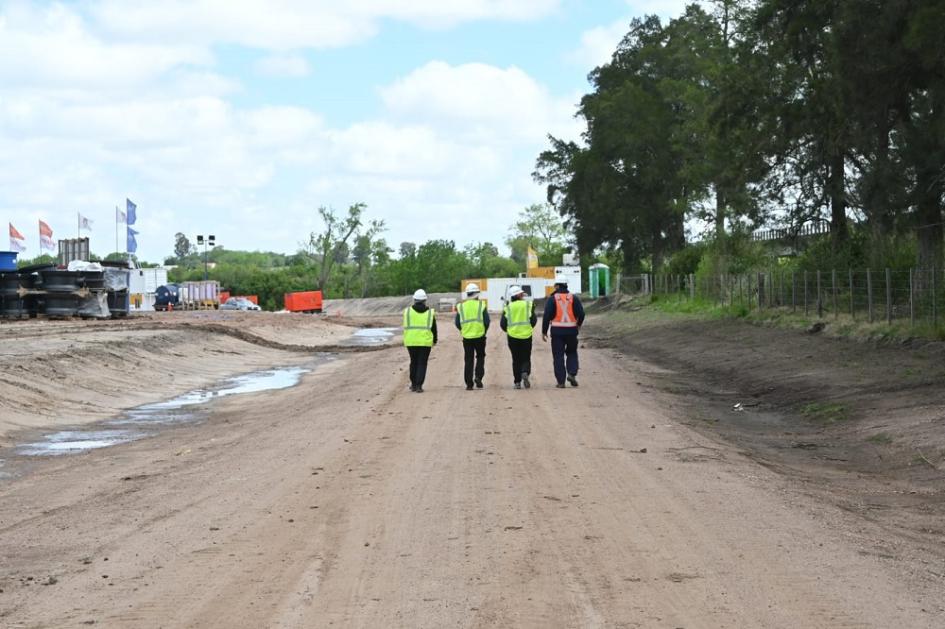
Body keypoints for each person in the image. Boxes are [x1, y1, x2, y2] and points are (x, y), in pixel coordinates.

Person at [541, 281, 585, 388]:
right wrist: (578, 325)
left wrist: (544, 331)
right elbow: (582, 313)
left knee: (558, 356)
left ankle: (561, 382)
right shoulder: (573, 298)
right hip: (571, 331)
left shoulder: (552, 299)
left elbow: (547, 316)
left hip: (557, 332)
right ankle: (572, 373)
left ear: (557, 286)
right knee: (572, 352)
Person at [500, 285, 537, 389]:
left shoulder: (508, 307)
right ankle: (525, 372)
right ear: (518, 295)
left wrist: (509, 331)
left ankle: (517, 382)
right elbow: (533, 320)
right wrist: (528, 328)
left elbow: (503, 324)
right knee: (526, 357)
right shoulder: (528, 305)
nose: (523, 295)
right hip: (526, 335)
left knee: (516, 359)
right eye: (521, 294)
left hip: (512, 336)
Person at [454, 283, 490, 390]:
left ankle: (469, 384)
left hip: (467, 337)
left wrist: (464, 330)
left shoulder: (461, 306)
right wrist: (484, 331)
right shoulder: (481, 305)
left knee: (468, 359)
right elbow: (487, 321)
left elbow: (457, 322)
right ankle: (478, 376)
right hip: (480, 336)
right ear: (476, 294)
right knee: (480, 357)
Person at [403, 289, 437, 392]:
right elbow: (434, 328)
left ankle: (413, 384)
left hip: (411, 341)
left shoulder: (407, 311)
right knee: (422, 363)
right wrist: (435, 340)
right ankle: (419, 385)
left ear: (414, 299)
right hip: (425, 342)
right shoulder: (430, 313)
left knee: (413, 362)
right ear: (425, 300)